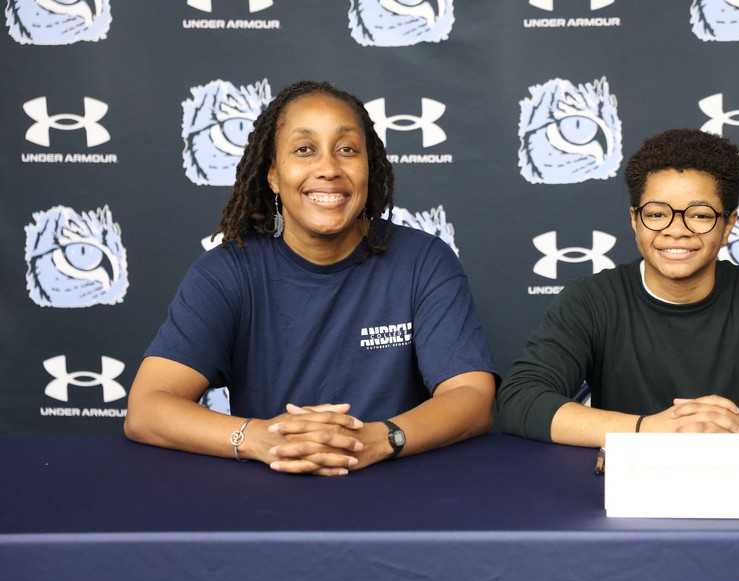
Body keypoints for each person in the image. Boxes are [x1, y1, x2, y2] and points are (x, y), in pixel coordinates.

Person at [125, 81, 497, 475]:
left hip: (399, 487)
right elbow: (147, 408)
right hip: (270, 492)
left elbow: (472, 396)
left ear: (368, 167)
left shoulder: (424, 261)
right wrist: (260, 439)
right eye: (304, 150)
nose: (329, 168)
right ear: (272, 174)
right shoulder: (227, 272)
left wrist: (380, 439)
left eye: (347, 150)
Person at [497, 129, 739, 447]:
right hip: (622, 491)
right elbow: (520, 399)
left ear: (728, 224)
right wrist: (648, 430)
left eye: (699, 215)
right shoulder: (591, 300)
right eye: (656, 214)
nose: (676, 230)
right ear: (635, 220)